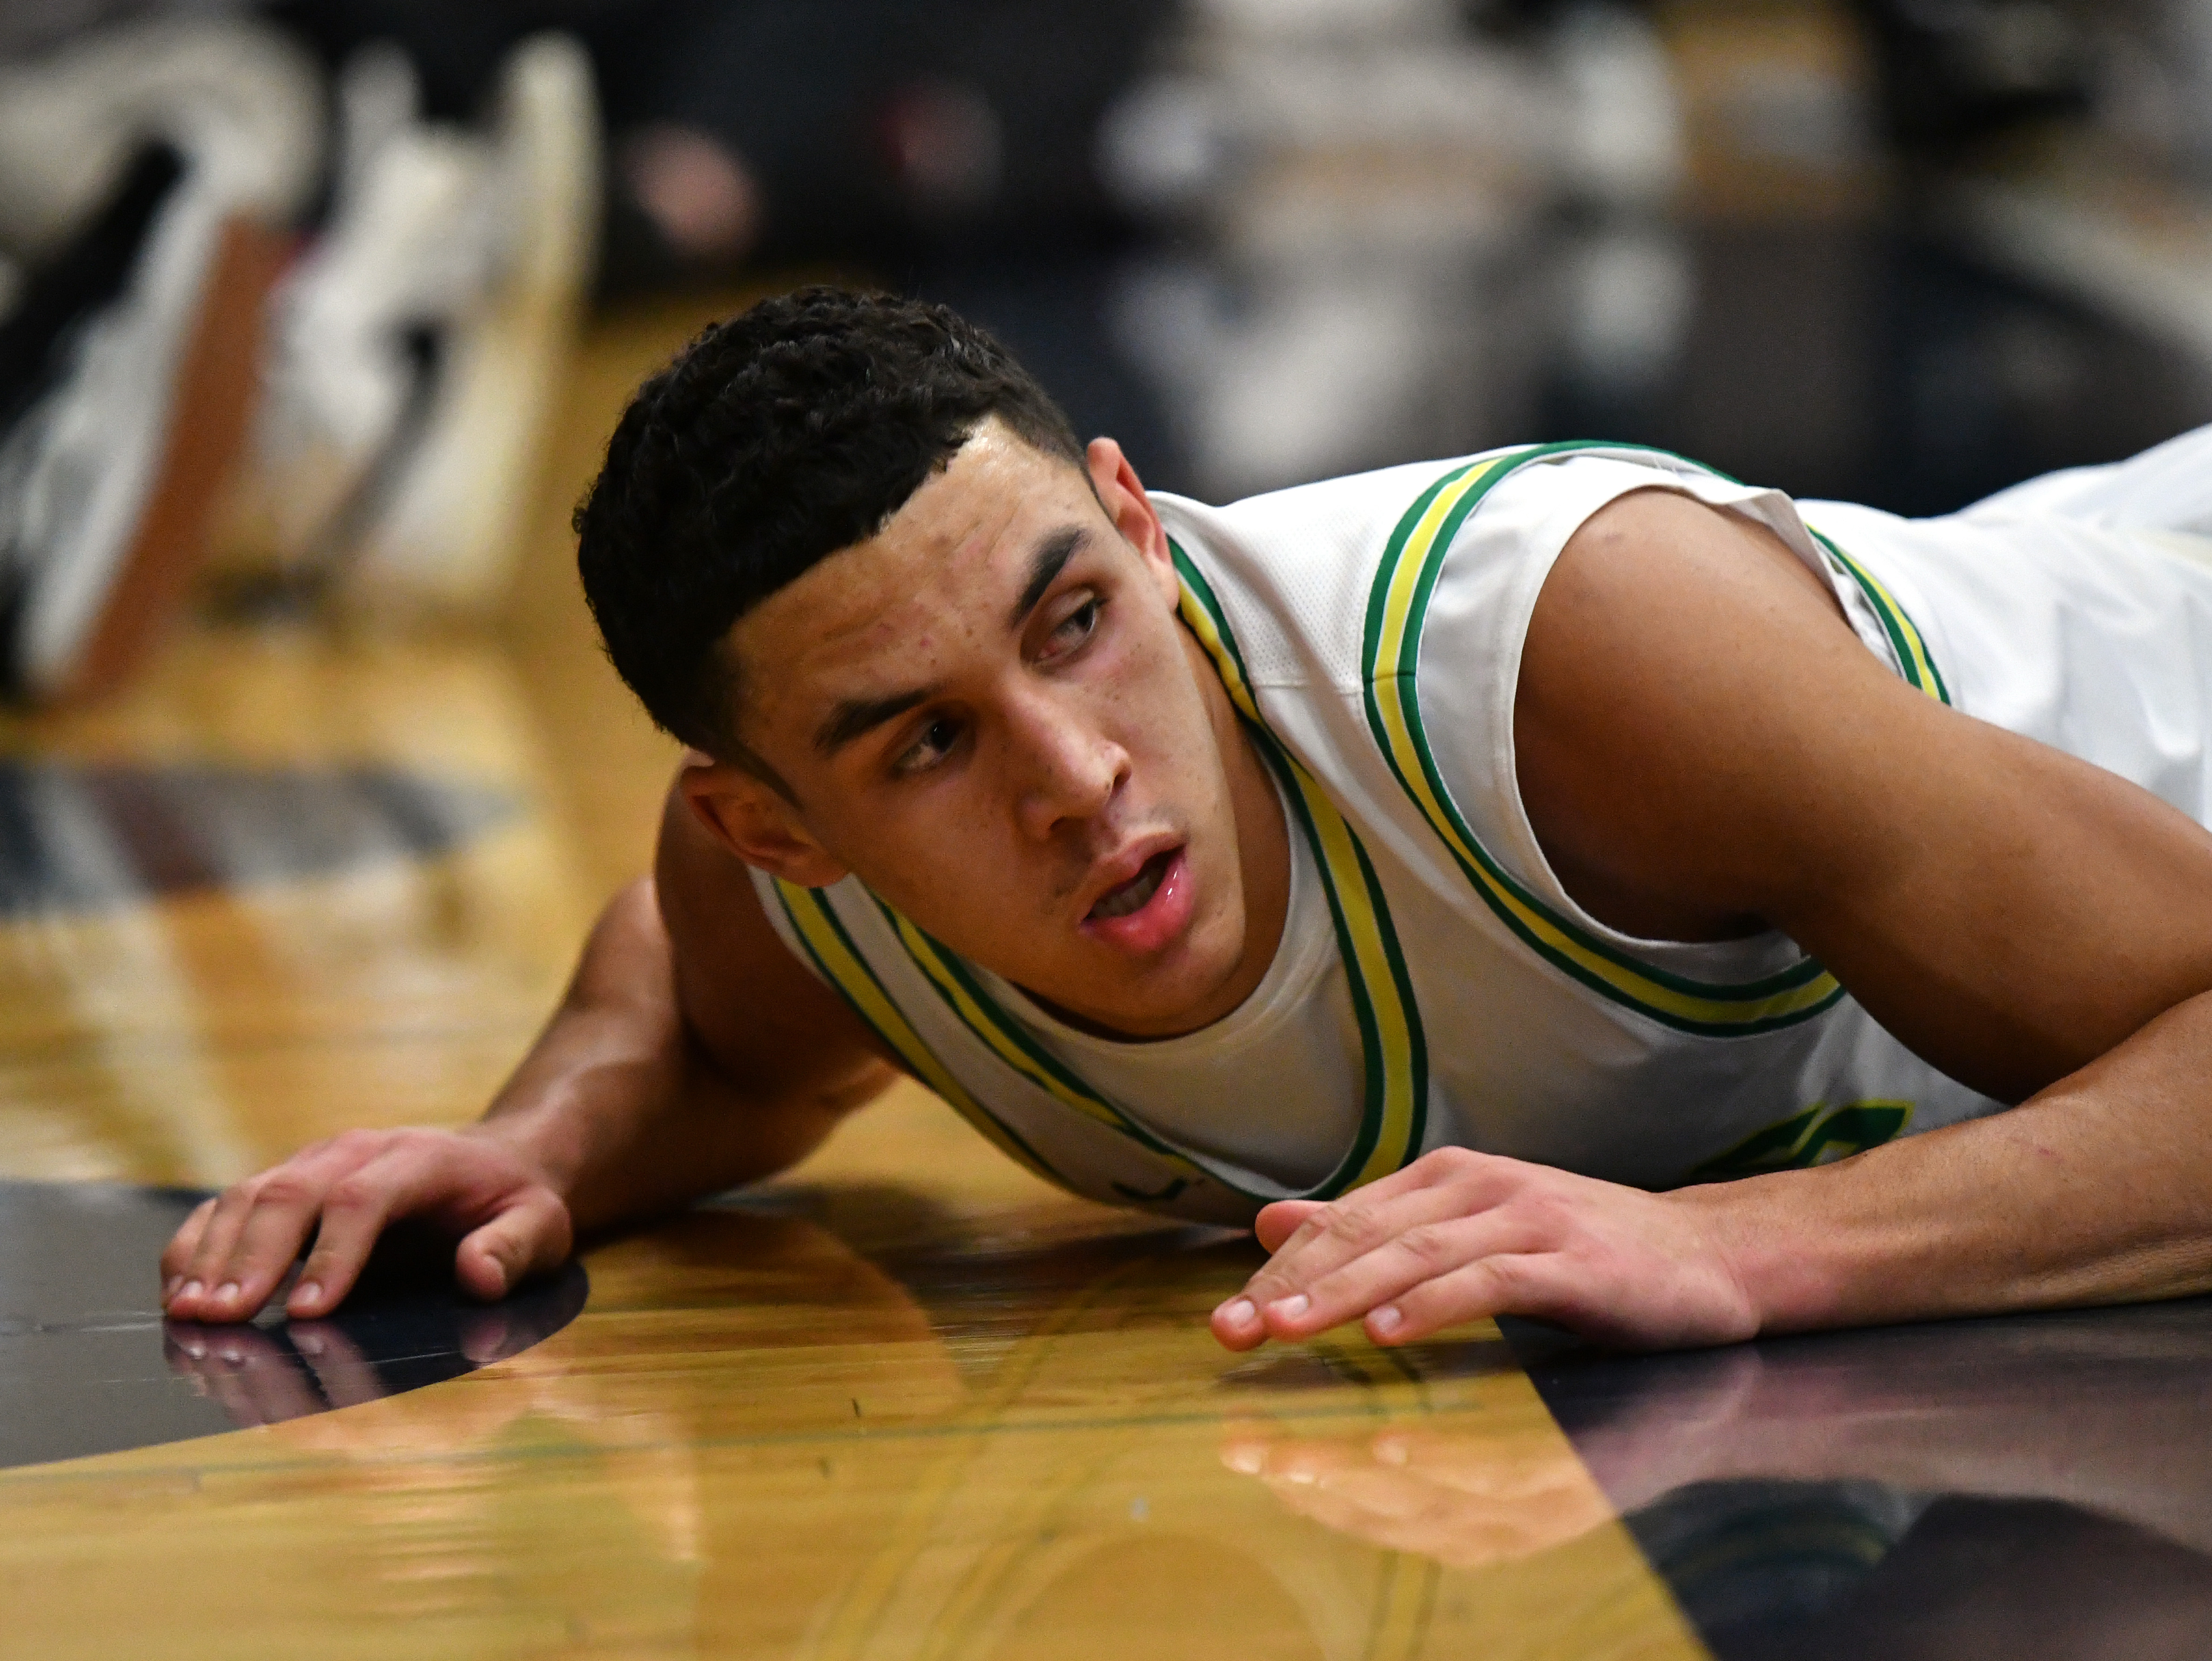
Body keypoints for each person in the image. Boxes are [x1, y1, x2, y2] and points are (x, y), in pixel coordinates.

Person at [161, 286, 2212, 1356]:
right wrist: (533, 1146)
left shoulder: (1570, 657)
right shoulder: (803, 905)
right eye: (924, 747)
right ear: (777, 831)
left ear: (1143, 527)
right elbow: (687, 1012)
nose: (1075, 773)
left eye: (1075, 620)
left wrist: (1740, 1249)